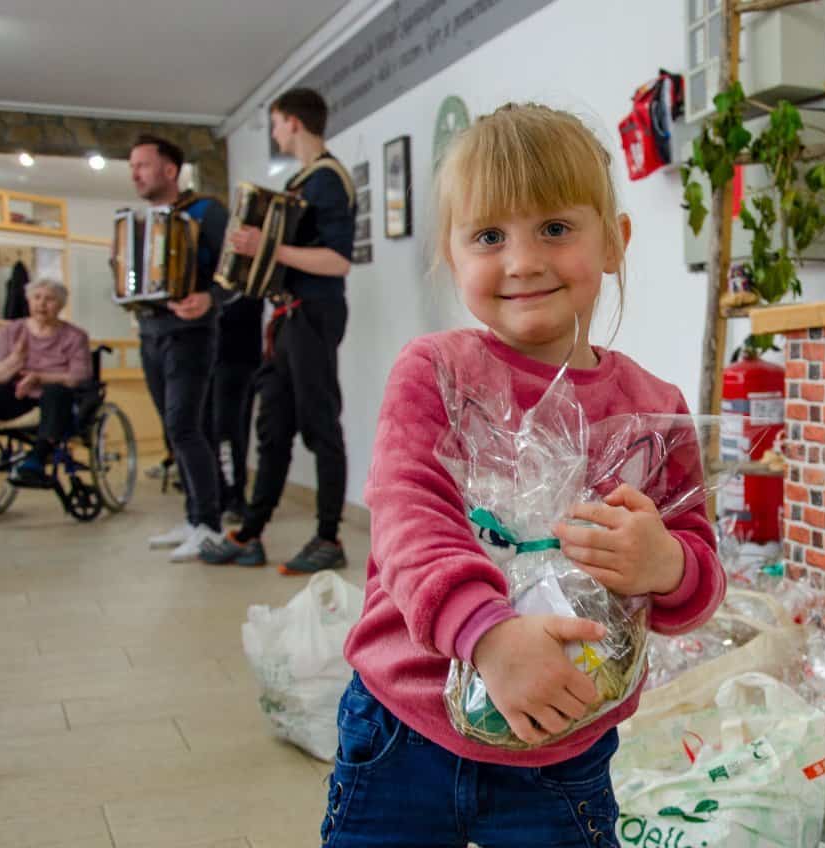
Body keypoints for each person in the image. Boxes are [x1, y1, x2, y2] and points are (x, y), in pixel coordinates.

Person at [317, 104, 726, 847]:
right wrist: (489, 637)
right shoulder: (434, 374)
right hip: (403, 729)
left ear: (615, 242)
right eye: (488, 236)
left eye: (556, 229)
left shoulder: (654, 411)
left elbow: (697, 560)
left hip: (564, 743)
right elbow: (410, 521)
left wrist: (665, 564)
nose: (523, 260)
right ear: (452, 251)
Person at [201, 87, 356, 574]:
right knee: (273, 429)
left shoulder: (329, 180)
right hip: (288, 318)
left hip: (313, 315)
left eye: (274, 123)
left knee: (320, 426)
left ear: (292, 122)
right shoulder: (301, 181)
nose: (272, 133)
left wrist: (265, 246)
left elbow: (337, 261)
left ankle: (329, 537)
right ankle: (250, 532)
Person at [128, 134, 229, 561]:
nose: (135, 174)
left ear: (170, 169)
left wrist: (211, 297)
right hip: (150, 332)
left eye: (143, 165)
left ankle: (209, 524)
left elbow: (232, 268)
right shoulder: (142, 222)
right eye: (132, 167)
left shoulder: (206, 211)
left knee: (186, 426)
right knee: (178, 430)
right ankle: (193, 517)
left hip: (190, 333)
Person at [0, 279, 90, 488]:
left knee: (56, 391)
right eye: (37, 297)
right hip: (17, 400)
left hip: (53, 403)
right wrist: (14, 362)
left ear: (60, 305)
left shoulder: (74, 336)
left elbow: (80, 374)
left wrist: (39, 377)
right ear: (28, 301)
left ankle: (37, 460)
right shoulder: (11, 331)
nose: (42, 304)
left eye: (49, 299)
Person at [204, 292, 262, 525]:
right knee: (205, 428)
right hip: (206, 354)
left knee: (227, 430)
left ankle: (234, 496)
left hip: (238, 356)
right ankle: (215, 494)